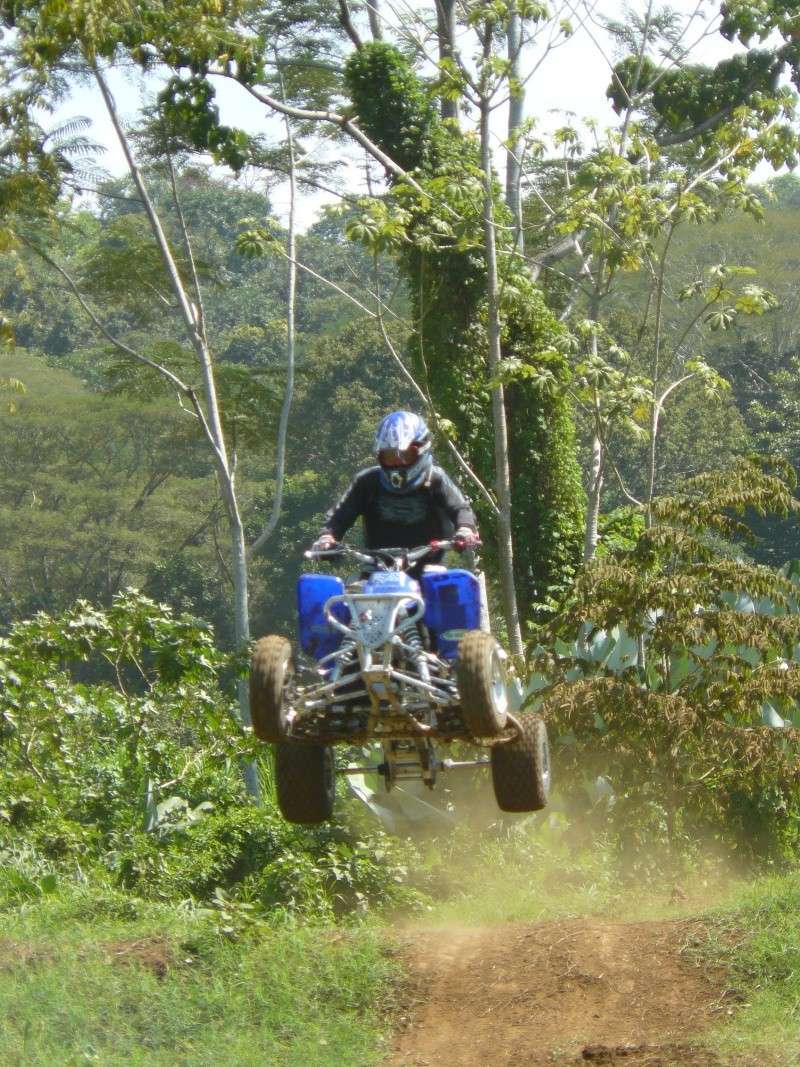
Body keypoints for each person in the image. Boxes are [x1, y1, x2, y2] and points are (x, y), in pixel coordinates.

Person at [311, 411, 479, 562]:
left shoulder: (436, 479)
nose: (398, 463)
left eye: (405, 455)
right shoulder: (367, 482)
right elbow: (339, 516)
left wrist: (465, 529)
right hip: (377, 570)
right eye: (390, 456)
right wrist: (327, 537)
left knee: (460, 587)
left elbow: (460, 508)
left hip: (430, 571)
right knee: (336, 593)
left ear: (422, 450)